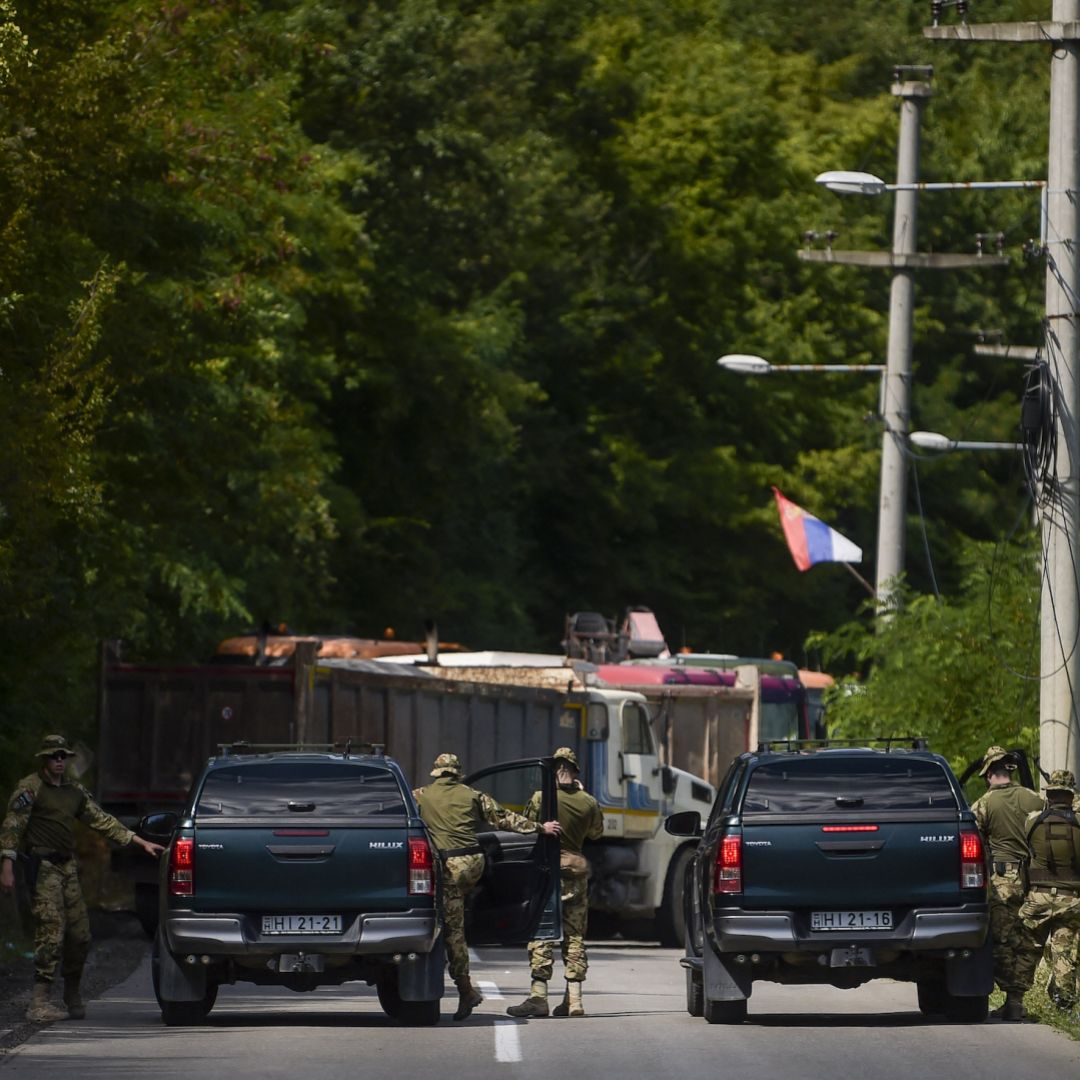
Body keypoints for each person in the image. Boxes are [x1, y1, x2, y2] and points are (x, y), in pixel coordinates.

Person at [0, 735, 164, 1023]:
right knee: (51, 931)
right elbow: (12, 827)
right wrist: (7, 865)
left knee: (80, 935)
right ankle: (39, 1001)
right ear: (44, 760)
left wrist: (140, 842)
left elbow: (103, 821)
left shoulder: (74, 792)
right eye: (54, 756)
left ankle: (72, 994)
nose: (60, 761)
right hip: (43, 867)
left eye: (63, 756)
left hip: (67, 868)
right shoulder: (30, 789)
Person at [413, 752, 560, 1021]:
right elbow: (505, 819)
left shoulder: (420, 795)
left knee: (452, 930)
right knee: (459, 909)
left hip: (448, 865)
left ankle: (466, 990)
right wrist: (542, 828)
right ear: (457, 773)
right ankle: (474, 919)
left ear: (436, 773)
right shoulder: (472, 794)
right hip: (473, 862)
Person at [507, 746, 603, 1019]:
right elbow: (596, 833)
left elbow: (526, 826)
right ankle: (574, 1000)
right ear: (575, 771)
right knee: (574, 936)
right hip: (576, 875)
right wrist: (584, 795)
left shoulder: (541, 798)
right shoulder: (588, 802)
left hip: (547, 874)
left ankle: (538, 998)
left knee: (542, 933)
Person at [969, 744, 1043, 1021]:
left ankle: (1011, 999)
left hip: (1003, 880)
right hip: (1034, 879)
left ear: (989, 774)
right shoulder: (1035, 799)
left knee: (1001, 941)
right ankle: (1016, 999)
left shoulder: (985, 804)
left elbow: (969, 839)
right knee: (1027, 941)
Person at [1017, 769, 1080, 1015]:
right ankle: (1064, 1006)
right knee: (1063, 953)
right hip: (1072, 900)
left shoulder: (1033, 820)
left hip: (1038, 898)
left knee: (1027, 948)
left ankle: (1015, 1002)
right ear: (1071, 795)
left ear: (1050, 794)